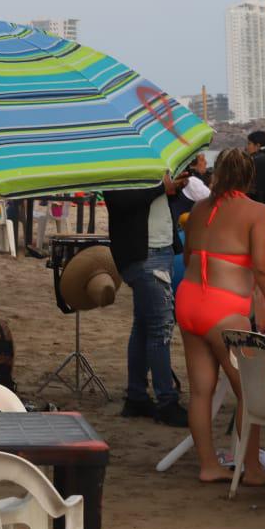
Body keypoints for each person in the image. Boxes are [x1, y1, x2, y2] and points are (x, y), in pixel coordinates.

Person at [176, 148, 265, 484]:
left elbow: (188, 256)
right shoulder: (257, 211)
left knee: (200, 391)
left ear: (218, 172)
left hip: (189, 300)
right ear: (250, 177)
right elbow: (263, 268)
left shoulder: (199, 207)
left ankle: (209, 465)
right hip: (224, 309)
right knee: (249, 391)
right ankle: (250, 468)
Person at [103, 172, 190, 427]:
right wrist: (161, 187)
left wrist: (170, 189)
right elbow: (122, 202)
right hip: (144, 252)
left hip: (156, 249)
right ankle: (166, 401)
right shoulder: (117, 164)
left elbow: (152, 205)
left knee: (144, 324)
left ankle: (137, 395)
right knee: (160, 327)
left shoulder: (145, 162)